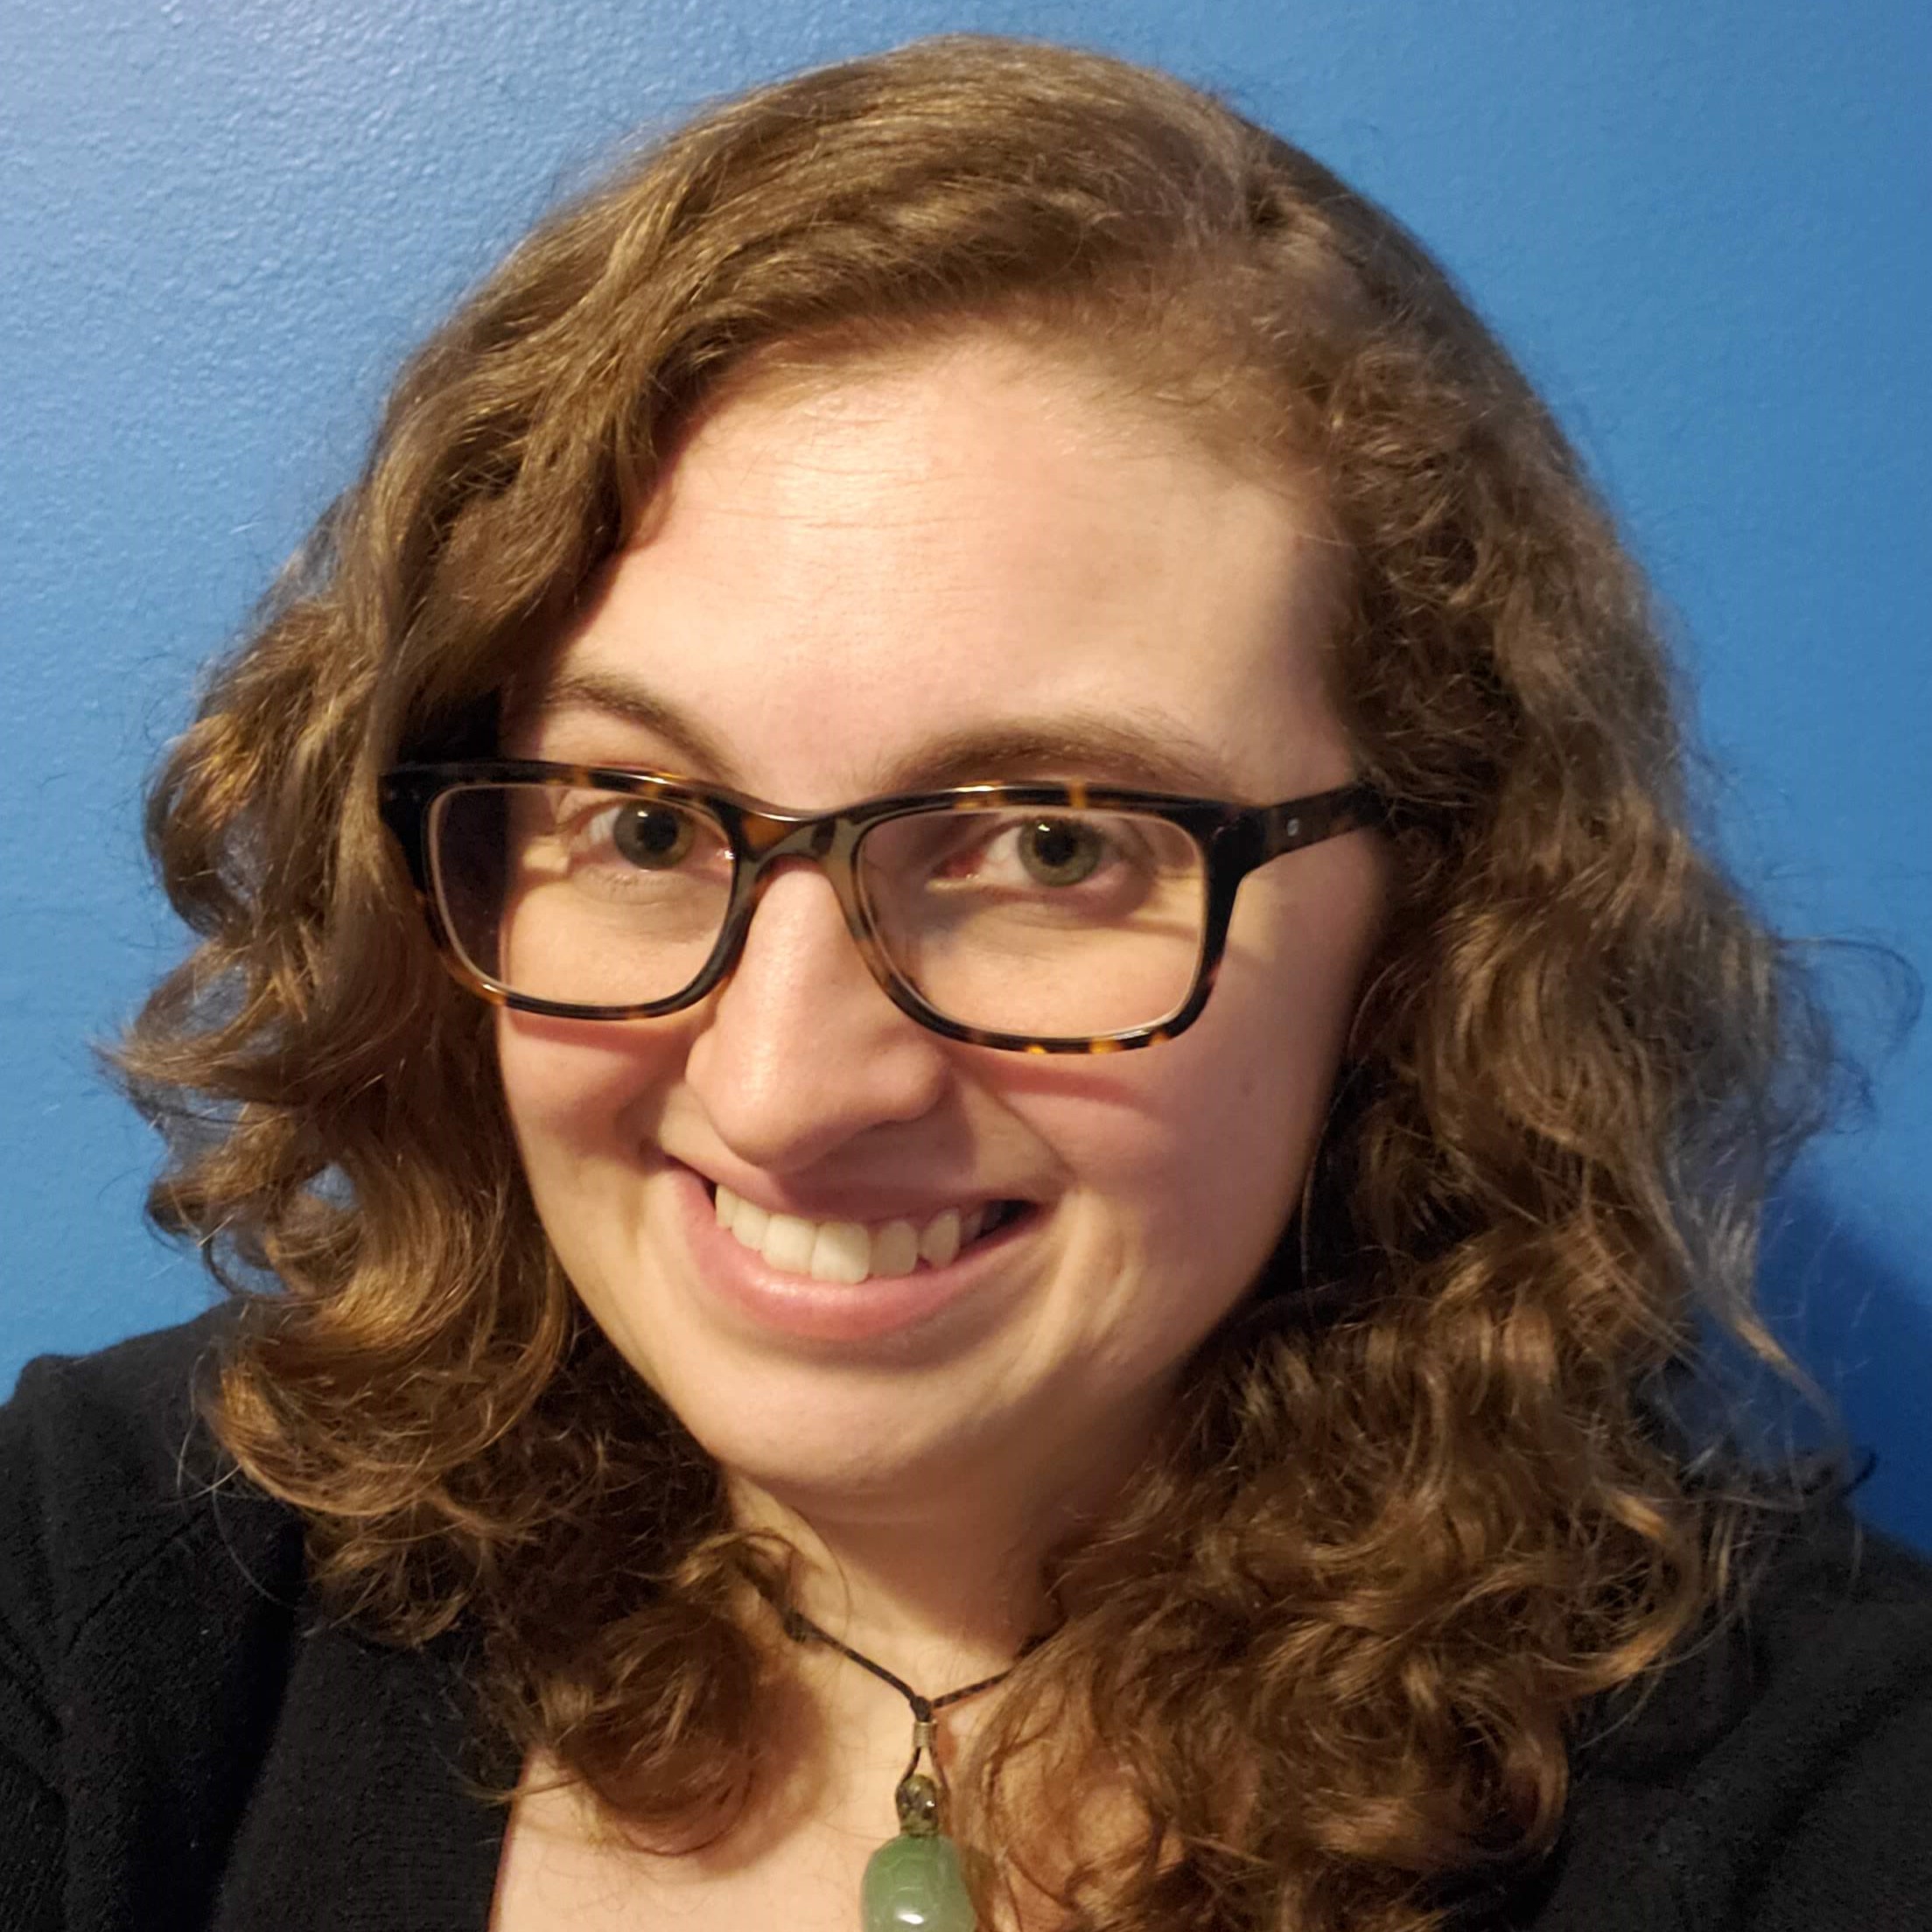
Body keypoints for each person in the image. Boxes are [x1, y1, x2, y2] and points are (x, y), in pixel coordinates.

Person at [1, 32, 1927, 1932]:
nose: (783, 1088)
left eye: (1052, 844)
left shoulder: (1819, 1804)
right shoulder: (118, 1591)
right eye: (648, 824)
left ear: (1425, 919)